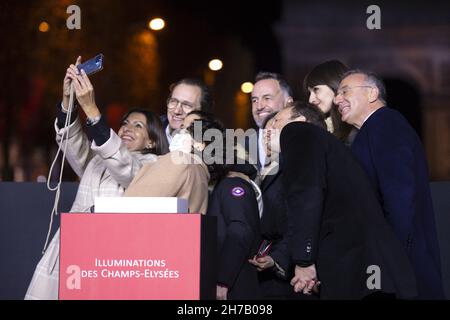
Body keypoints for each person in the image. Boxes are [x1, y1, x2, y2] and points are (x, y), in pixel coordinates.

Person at [25, 57, 168, 300]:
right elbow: (73, 142)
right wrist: (68, 101)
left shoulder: (152, 166)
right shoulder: (98, 159)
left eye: (138, 126)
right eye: (124, 123)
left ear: (152, 140)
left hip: (109, 258)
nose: (127, 128)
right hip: (72, 252)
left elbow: (124, 167)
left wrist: (91, 109)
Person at [272, 102, 418, 299]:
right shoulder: (327, 149)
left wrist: (303, 261)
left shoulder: (297, 131)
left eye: (276, 122)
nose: (268, 130)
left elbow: (306, 193)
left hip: (357, 262)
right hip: (370, 266)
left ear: (300, 121)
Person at [334, 69, 445, 299]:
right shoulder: (372, 130)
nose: (337, 99)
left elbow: (400, 196)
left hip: (398, 266)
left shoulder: (385, 123)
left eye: (345, 91)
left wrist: (392, 259)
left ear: (372, 93)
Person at [124, 116, 225, 214]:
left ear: (200, 145)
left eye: (185, 131)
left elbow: (133, 204)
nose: (177, 135)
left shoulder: (178, 161)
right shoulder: (201, 174)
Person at [303, 60, 355, 145]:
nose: (310, 100)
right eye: (309, 93)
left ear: (334, 85)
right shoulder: (316, 127)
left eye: (316, 90)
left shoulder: (356, 128)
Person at [250, 72, 293, 168]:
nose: (259, 106)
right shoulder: (238, 148)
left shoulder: (300, 142)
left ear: (288, 103)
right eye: (255, 100)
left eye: (267, 98)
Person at [161, 78, 213, 144]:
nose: (176, 111)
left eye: (187, 105)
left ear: (202, 113)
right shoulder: (148, 132)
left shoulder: (215, 144)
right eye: (173, 101)